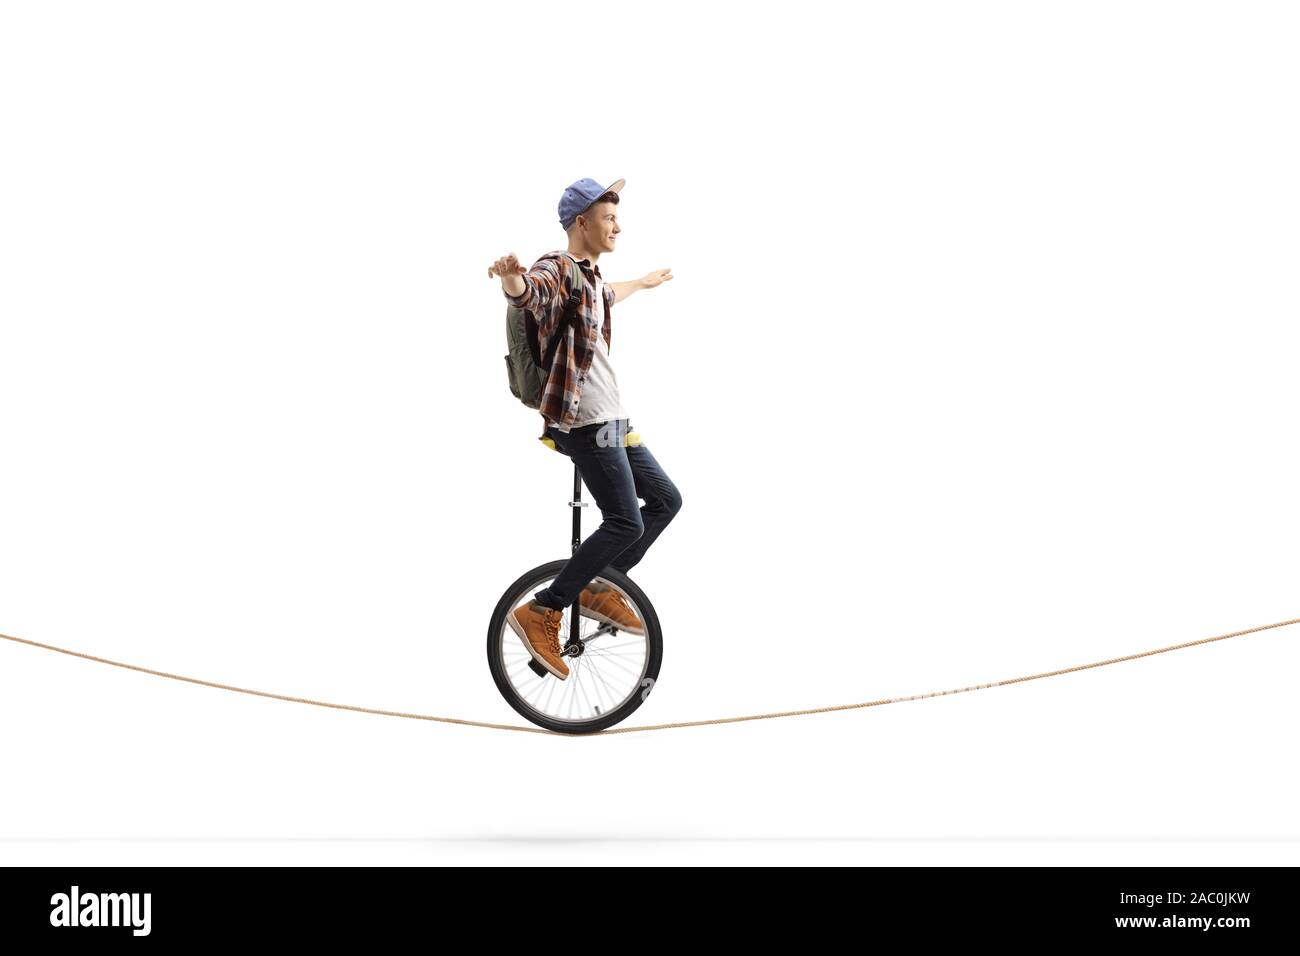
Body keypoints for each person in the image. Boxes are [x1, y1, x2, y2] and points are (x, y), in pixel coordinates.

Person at [487, 177, 682, 680]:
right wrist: (513, 282)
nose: (617, 225)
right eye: (608, 217)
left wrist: (642, 282)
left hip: (613, 420)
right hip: (584, 420)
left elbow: (608, 293)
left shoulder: (592, 278)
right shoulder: (558, 267)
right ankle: (544, 609)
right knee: (625, 522)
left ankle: (598, 588)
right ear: (582, 222)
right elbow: (533, 293)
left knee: (665, 501)